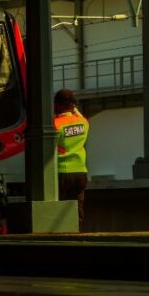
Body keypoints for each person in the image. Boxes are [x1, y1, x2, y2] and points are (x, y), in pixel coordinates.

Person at [54, 88, 89, 231]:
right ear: (73, 105)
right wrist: (74, 109)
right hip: (80, 171)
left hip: (62, 171)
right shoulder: (83, 123)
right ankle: (77, 232)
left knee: (59, 208)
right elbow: (81, 117)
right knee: (77, 207)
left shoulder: (55, 124)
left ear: (57, 105)